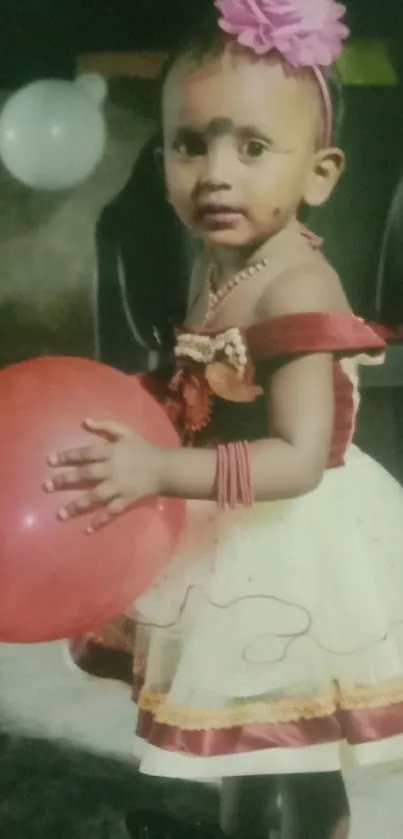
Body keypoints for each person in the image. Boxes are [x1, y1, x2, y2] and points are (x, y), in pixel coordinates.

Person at [45, 1, 403, 837]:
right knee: (247, 737)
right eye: (188, 144)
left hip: (290, 537)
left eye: (250, 148)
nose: (214, 173)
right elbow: (197, 385)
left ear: (318, 174)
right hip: (222, 518)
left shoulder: (297, 287)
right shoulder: (216, 266)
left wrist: (165, 471)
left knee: (288, 734)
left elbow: (300, 457)